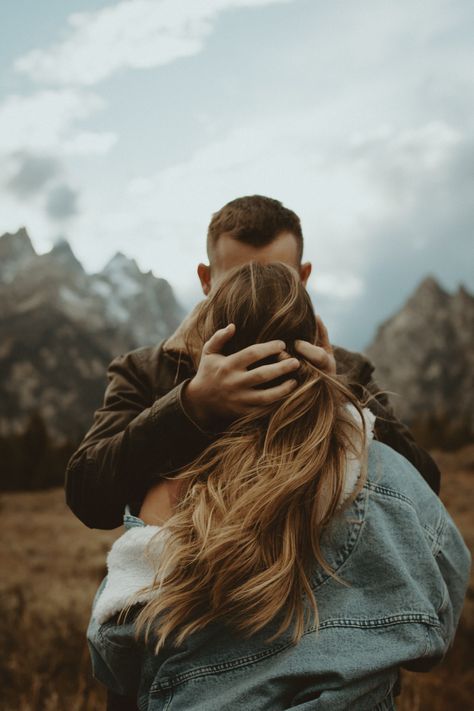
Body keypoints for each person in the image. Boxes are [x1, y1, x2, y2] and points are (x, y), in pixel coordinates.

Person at [65, 194, 440, 710]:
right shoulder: (148, 372)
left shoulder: (345, 367)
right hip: (173, 667)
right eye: (237, 278)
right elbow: (87, 493)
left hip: (321, 661)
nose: (256, 293)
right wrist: (191, 404)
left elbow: (423, 488)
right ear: (205, 279)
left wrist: (334, 392)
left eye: (277, 277)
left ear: (303, 276)